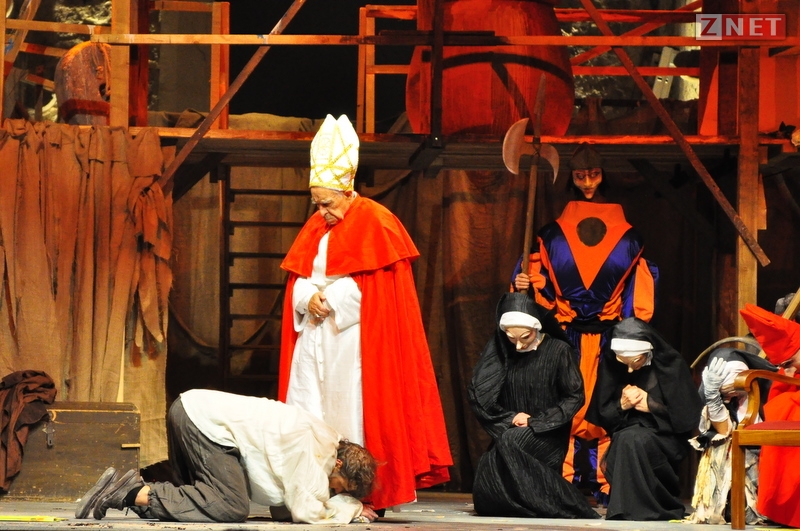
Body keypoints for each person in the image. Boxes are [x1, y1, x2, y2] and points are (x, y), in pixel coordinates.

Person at [278, 114, 452, 511]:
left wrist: (330, 299)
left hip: (353, 342)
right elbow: (299, 277)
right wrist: (307, 297)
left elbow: (377, 288)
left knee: (350, 411)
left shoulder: (377, 221)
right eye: (316, 203)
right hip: (314, 337)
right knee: (308, 410)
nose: (322, 211)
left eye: (327, 203)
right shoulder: (316, 225)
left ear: (346, 191)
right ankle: (309, 489)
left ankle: (362, 492)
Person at [512, 143, 658, 504]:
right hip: (566, 337)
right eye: (580, 176)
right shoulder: (551, 235)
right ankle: (561, 483)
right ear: (572, 178)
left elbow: (636, 295)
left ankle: (605, 482)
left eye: (593, 175)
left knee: (605, 407)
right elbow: (536, 287)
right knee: (564, 406)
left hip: (607, 338)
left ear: (603, 175)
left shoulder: (628, 238)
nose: (588, 182)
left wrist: (632, 336)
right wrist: (526, 282)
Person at [75, 389, 378, 524]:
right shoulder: (316, 450)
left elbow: (284, 510)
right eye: (337, 486)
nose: (330, 490)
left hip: (191, 410)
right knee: (232, 505)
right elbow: (307, 513)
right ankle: (129, 493)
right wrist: (350, 509)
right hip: (203, 424)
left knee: (204, 496)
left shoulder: (321, 438)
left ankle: (133, 488)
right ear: (339, 464)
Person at [467, 292, 600, 519]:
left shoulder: (559, 350)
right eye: (511, 337)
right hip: (509, 428)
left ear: (536, 329)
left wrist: (535, 421)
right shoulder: (502, 351)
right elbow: (479, 395)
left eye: (525, 337)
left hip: (547, 432)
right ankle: (523, 504)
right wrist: (509, 418)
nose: (518, 344)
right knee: (489, 469)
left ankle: (564, 503)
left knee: (510, 442)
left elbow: (574, 396)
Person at [586, 317, 702, 520]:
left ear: (648, 352)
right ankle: (627, 508)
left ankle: (646, 507)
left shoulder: (672, 366)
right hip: (627, 432)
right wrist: (622, 405)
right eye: (623, 362)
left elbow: (685, 418)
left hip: (665, 437)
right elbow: (604, 416)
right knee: (627, 438)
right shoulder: (613, 365)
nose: (629, 370)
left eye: (635, 361)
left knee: (631, 439)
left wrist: (651, 405)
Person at [687, 346, 776, 524]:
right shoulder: (717, 394)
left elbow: (753, 432)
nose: (732, 393)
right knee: (721, 445)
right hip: (728, 463)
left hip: (761, 456)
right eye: (726, 389)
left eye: (735, 388)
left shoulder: (761, 392)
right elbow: (723, 431)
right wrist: (713, 396)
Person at [738, 303, 800, 528]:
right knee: (782, 411)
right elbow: (776, 397)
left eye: (789, 363)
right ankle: (782, 509)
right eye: (783, 365)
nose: (787, 370)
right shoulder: (788, 371)